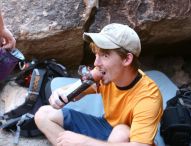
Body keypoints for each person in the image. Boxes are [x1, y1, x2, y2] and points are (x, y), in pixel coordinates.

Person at [35, 23, 163, 146]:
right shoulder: (106, 74)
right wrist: (60, 94)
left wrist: (84, 142)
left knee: (121, 131)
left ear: (127, 59)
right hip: (105, 126)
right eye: (97, 55)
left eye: (105, 55)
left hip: (126, 139)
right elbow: (73, 95)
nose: (96, 63)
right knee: (43, 114)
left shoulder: (148, 97)